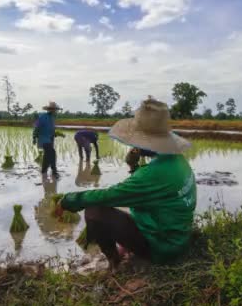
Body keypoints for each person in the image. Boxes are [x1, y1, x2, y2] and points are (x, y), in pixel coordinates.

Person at [56, 98, 197, 268]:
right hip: (178, 237)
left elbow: (107, 196)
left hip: (162, 249)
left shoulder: (151, 174)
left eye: (138, 139)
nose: (134, 144)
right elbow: (148, 189)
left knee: (95, 210)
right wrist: (133, 166)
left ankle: (114, 263)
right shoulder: (177, 161)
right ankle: (127, 249)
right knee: (124, 206)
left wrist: (68, 201)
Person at [33, 101, 61, 178]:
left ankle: (43, 170)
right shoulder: (42, 116)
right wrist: (34, 137)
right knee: (52, 154)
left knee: (47, 156)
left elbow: (51, 130)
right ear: (49, 109)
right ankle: (54, 172)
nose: (54, 111)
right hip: (43, 139)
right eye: (52, 109)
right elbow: (36, 127)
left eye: (55, 109)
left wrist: (56, 134)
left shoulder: (52, 118)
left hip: (50, 139)